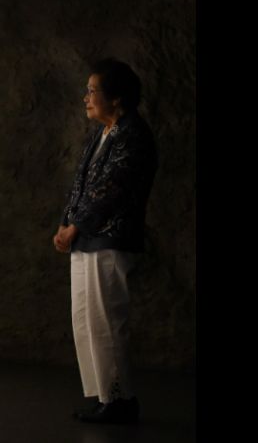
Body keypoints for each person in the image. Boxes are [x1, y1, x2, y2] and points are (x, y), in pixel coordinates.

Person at [54, 58, 157, 425]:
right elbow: (82, 186)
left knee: (106, 321)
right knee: (86, 321)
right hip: (86, 237)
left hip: (110, 239)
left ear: (117, 98)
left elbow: (109, 192)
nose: (86, 98)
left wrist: (75, 226)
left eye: (93, 90)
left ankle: (120, 400)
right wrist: (66, 223)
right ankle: (104, 397)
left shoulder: (133, 135)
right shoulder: (102, 134)